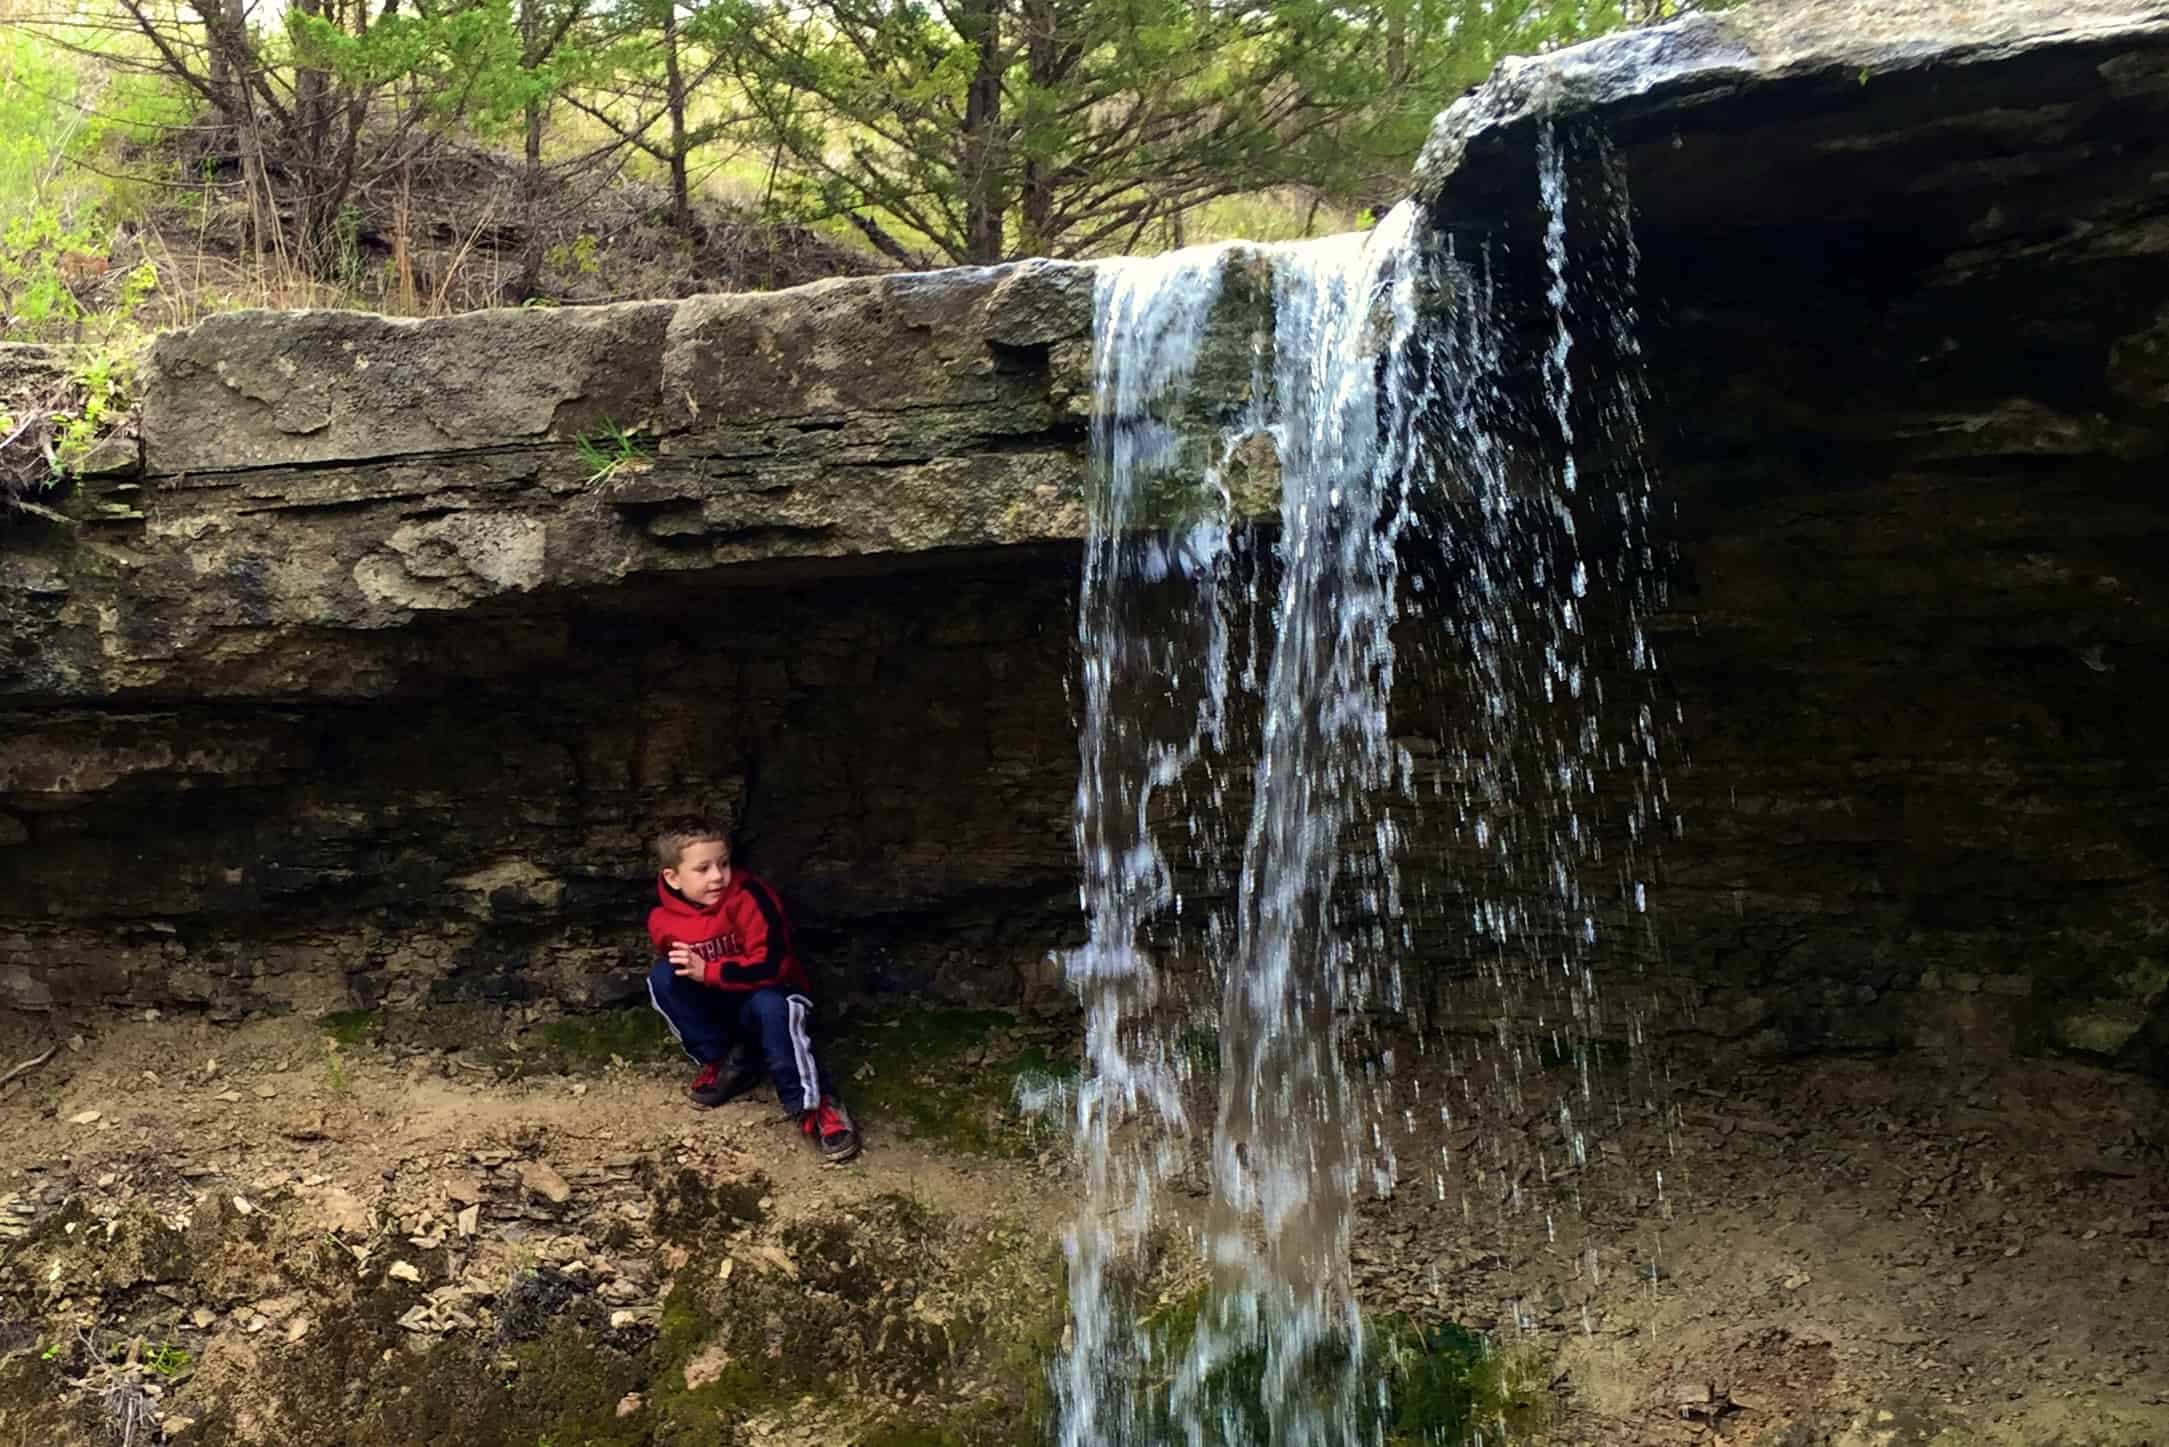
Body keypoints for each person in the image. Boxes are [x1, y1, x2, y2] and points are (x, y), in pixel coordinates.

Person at [643, 815, 860, 1164]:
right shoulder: (662, 921)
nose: (717, 876)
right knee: (663, 978)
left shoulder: (750, 896)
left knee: (774, 1006)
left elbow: (774, 964)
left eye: (723, 864)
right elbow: (684, 980)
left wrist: (710, 970)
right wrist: (701, 977)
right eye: (703, 869)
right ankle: (728, 1062)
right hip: (723, 1006)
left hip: (770, 995)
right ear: (673, 877)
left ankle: (815, 1104)